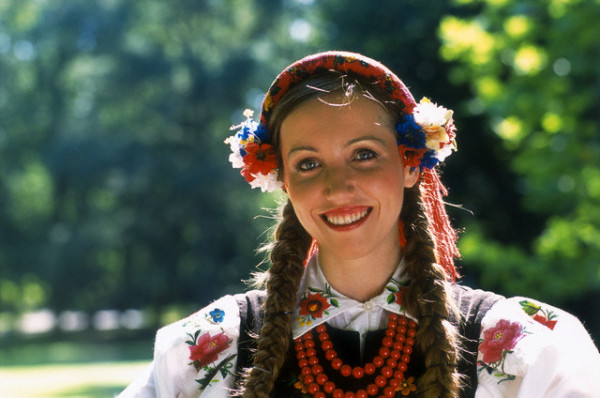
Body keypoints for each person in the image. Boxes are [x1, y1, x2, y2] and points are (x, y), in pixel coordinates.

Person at [118, 51, 600, 398]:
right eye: (308, 164)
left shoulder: (521, 352)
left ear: (411, 163)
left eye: (364, 155)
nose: (338, 186)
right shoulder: (208, 350)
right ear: (282, 179)